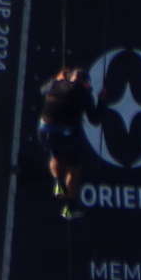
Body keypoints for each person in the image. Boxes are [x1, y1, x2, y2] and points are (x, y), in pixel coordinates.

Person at [33, 63, 94, 214]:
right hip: (65, 133)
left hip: (44, 130)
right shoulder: (83, 93)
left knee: (55, 156)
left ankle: (58, 183)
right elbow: (95, 118)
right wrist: (103, 100)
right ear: (84, 82)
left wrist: (56, 78)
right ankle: (70, 208)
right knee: (74, 169)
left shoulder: (56, 83)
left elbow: (42, 91)